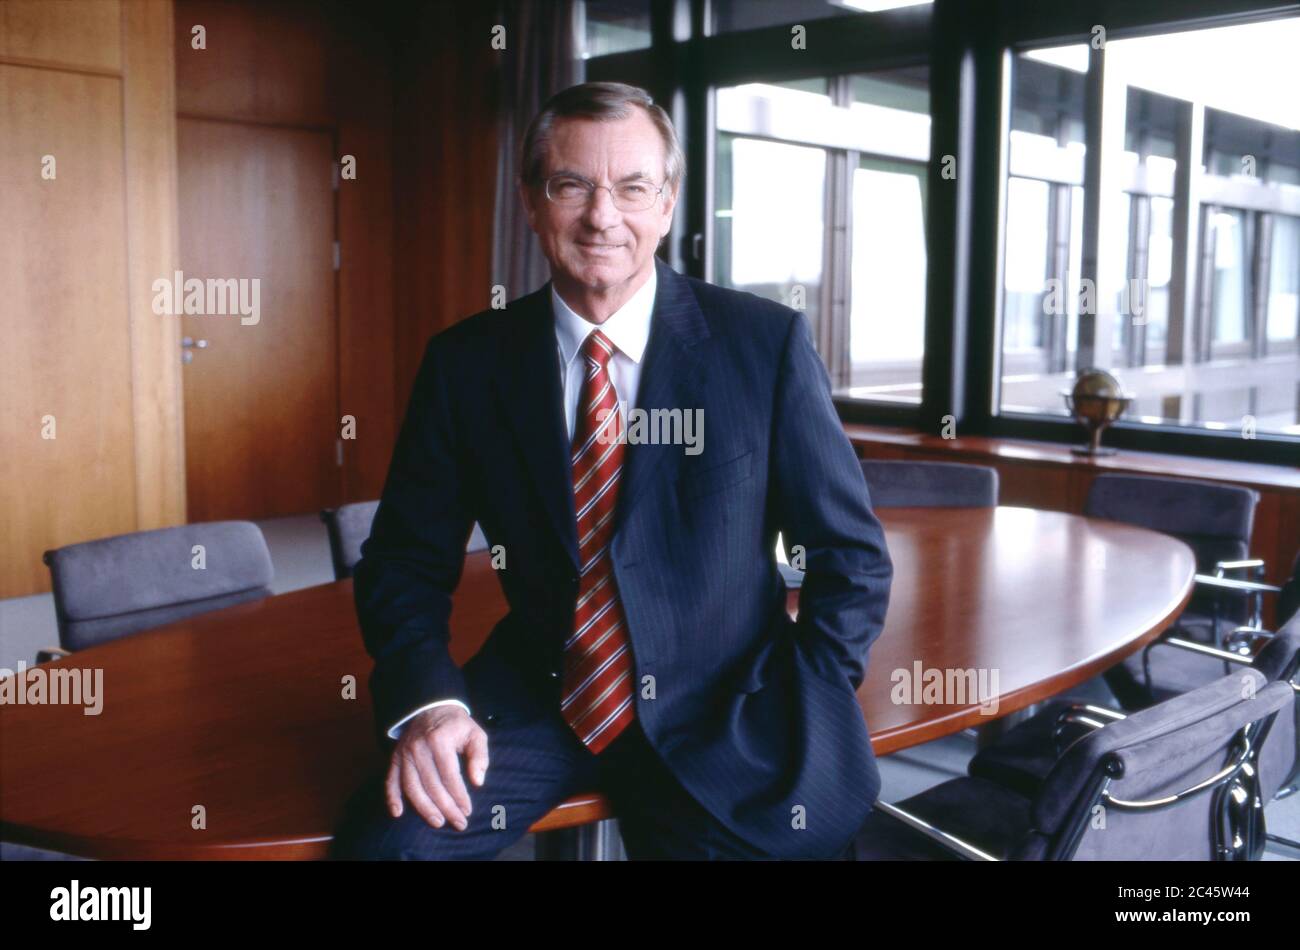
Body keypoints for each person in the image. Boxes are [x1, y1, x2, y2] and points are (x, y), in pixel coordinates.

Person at [330, 81, 892, 860]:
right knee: (386, 849)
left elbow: (851, 555)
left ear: (666, 204)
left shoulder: (763, 347)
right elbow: (402, 563)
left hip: (725, 700)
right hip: (538, 692)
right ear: (531, 202)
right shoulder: (466, 364)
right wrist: (429, 705)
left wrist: (812, 686)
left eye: (632, 188)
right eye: (571, 185)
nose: (603, 217)